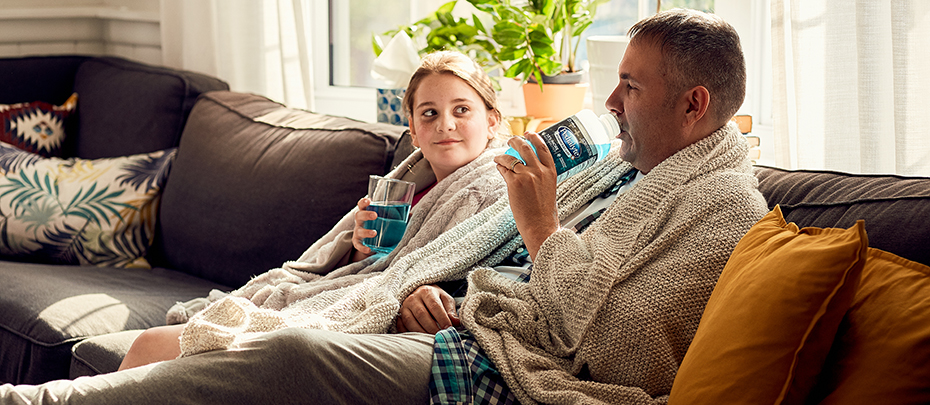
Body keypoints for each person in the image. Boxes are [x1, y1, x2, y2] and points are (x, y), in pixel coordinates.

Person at [0, 9, 770, 404]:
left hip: (503, 363)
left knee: (290, 354)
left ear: (695, 105)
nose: (608, 100)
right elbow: (478, 254)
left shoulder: (724, 208)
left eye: (630, 85)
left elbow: (622, 352)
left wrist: (538, 226)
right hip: (457, 319)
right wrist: (407, 288)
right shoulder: (620, 172)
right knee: (141, 351)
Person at [115, 49, 513, 370]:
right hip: (345, 292)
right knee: (153, 347)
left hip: (363, 314)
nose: (445, 124)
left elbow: (482, 267)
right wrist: (358, 247)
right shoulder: (406, 186)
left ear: (492, 121)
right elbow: (369, 265)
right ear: (412, 128)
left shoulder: (498, 190)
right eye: (429, 113)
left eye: (462, 110)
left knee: (152, 344)